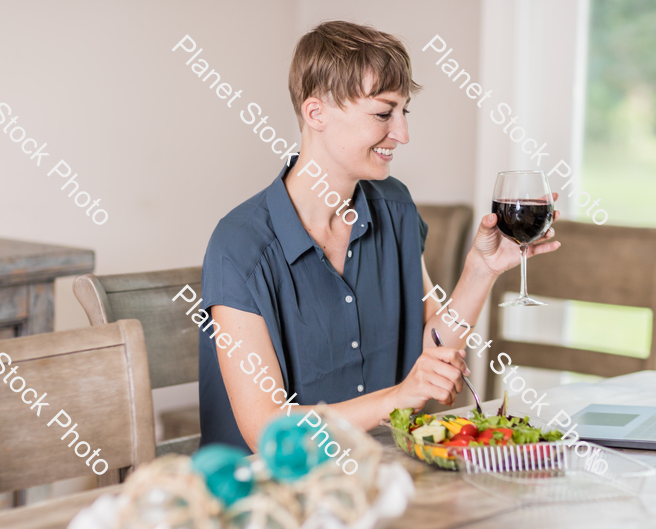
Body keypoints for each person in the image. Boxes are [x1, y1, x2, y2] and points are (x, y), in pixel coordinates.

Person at [199, 20, 560, 451]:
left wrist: (480, 270)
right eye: (383, 113)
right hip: (270, 499)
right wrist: (398, 398)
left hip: (380, 477)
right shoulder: (239, 246)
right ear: (316, 113)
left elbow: (432, 343)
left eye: (403, 111)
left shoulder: (394, 208)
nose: (402, 134)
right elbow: (267, 432)